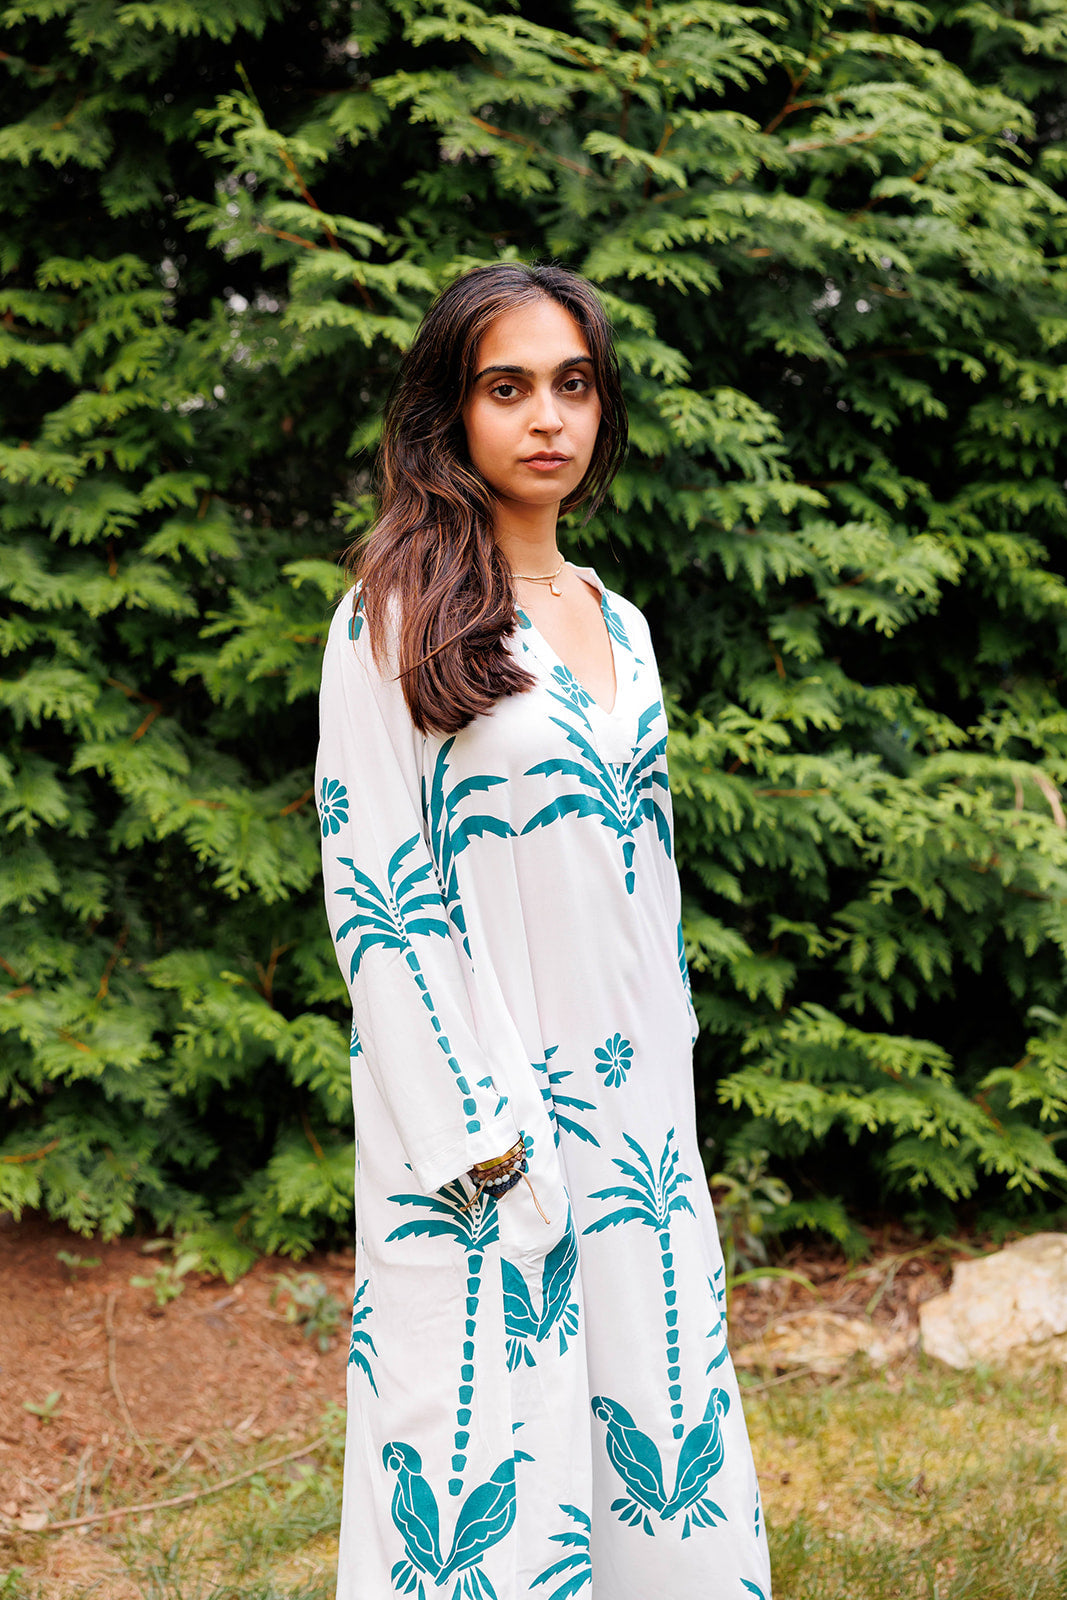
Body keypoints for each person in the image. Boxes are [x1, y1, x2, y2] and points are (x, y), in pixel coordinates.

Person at [315, 261, 771, 1600]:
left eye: (572, 384)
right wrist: (481, 1134)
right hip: (479, 1112)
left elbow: (648, 882)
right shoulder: (393, 614)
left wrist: (670, 1082)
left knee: (654, 1422)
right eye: (506, 388)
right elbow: (374, 885)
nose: (547, 418)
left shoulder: (622, 624)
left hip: (638, 1118)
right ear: (450, 412)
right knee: (483, 1461)